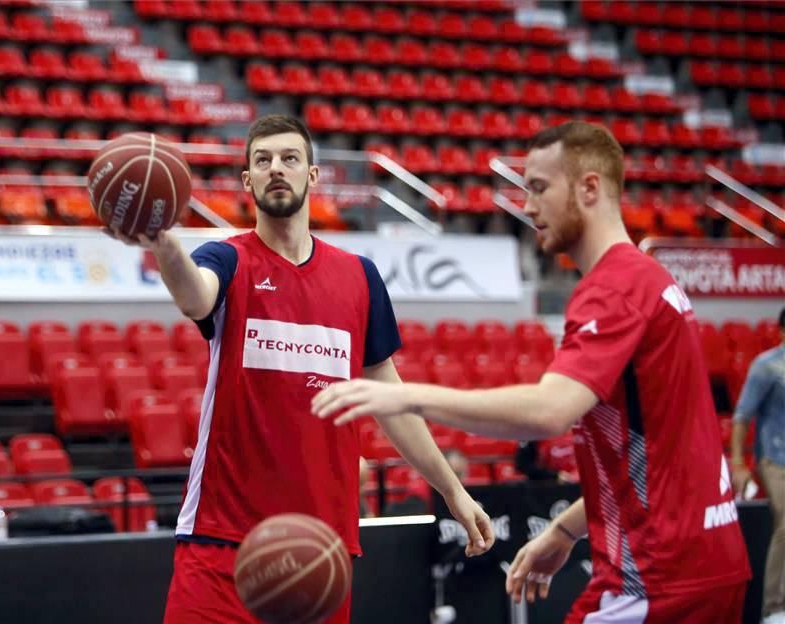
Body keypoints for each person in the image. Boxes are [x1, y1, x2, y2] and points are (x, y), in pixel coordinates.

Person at [313, 121, 752, 623]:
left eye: (539, 188)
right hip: (709, 561)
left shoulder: (612, 289)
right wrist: (566, 528)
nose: (526, 206)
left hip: (658, 578)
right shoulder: (653, 280)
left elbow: (548, 412)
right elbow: (656, 463)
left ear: (589, 187)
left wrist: (406, 396)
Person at [108, 115, 493, 624]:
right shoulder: (226, 259)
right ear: (247, 181)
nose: (276, 169)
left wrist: (451, 490)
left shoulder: (359, 277)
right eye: (262, 161)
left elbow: (394, 404)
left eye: (290, 158)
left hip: (319, 552)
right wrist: (162, 241)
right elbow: (193, 296)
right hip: (221, 542)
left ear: (313, 175)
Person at [731, 307, 785, 624]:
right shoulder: (766, 366)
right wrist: (738, 462)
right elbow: (741, 417)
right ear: (781, 331)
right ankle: (775, 608)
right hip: (774, 459)